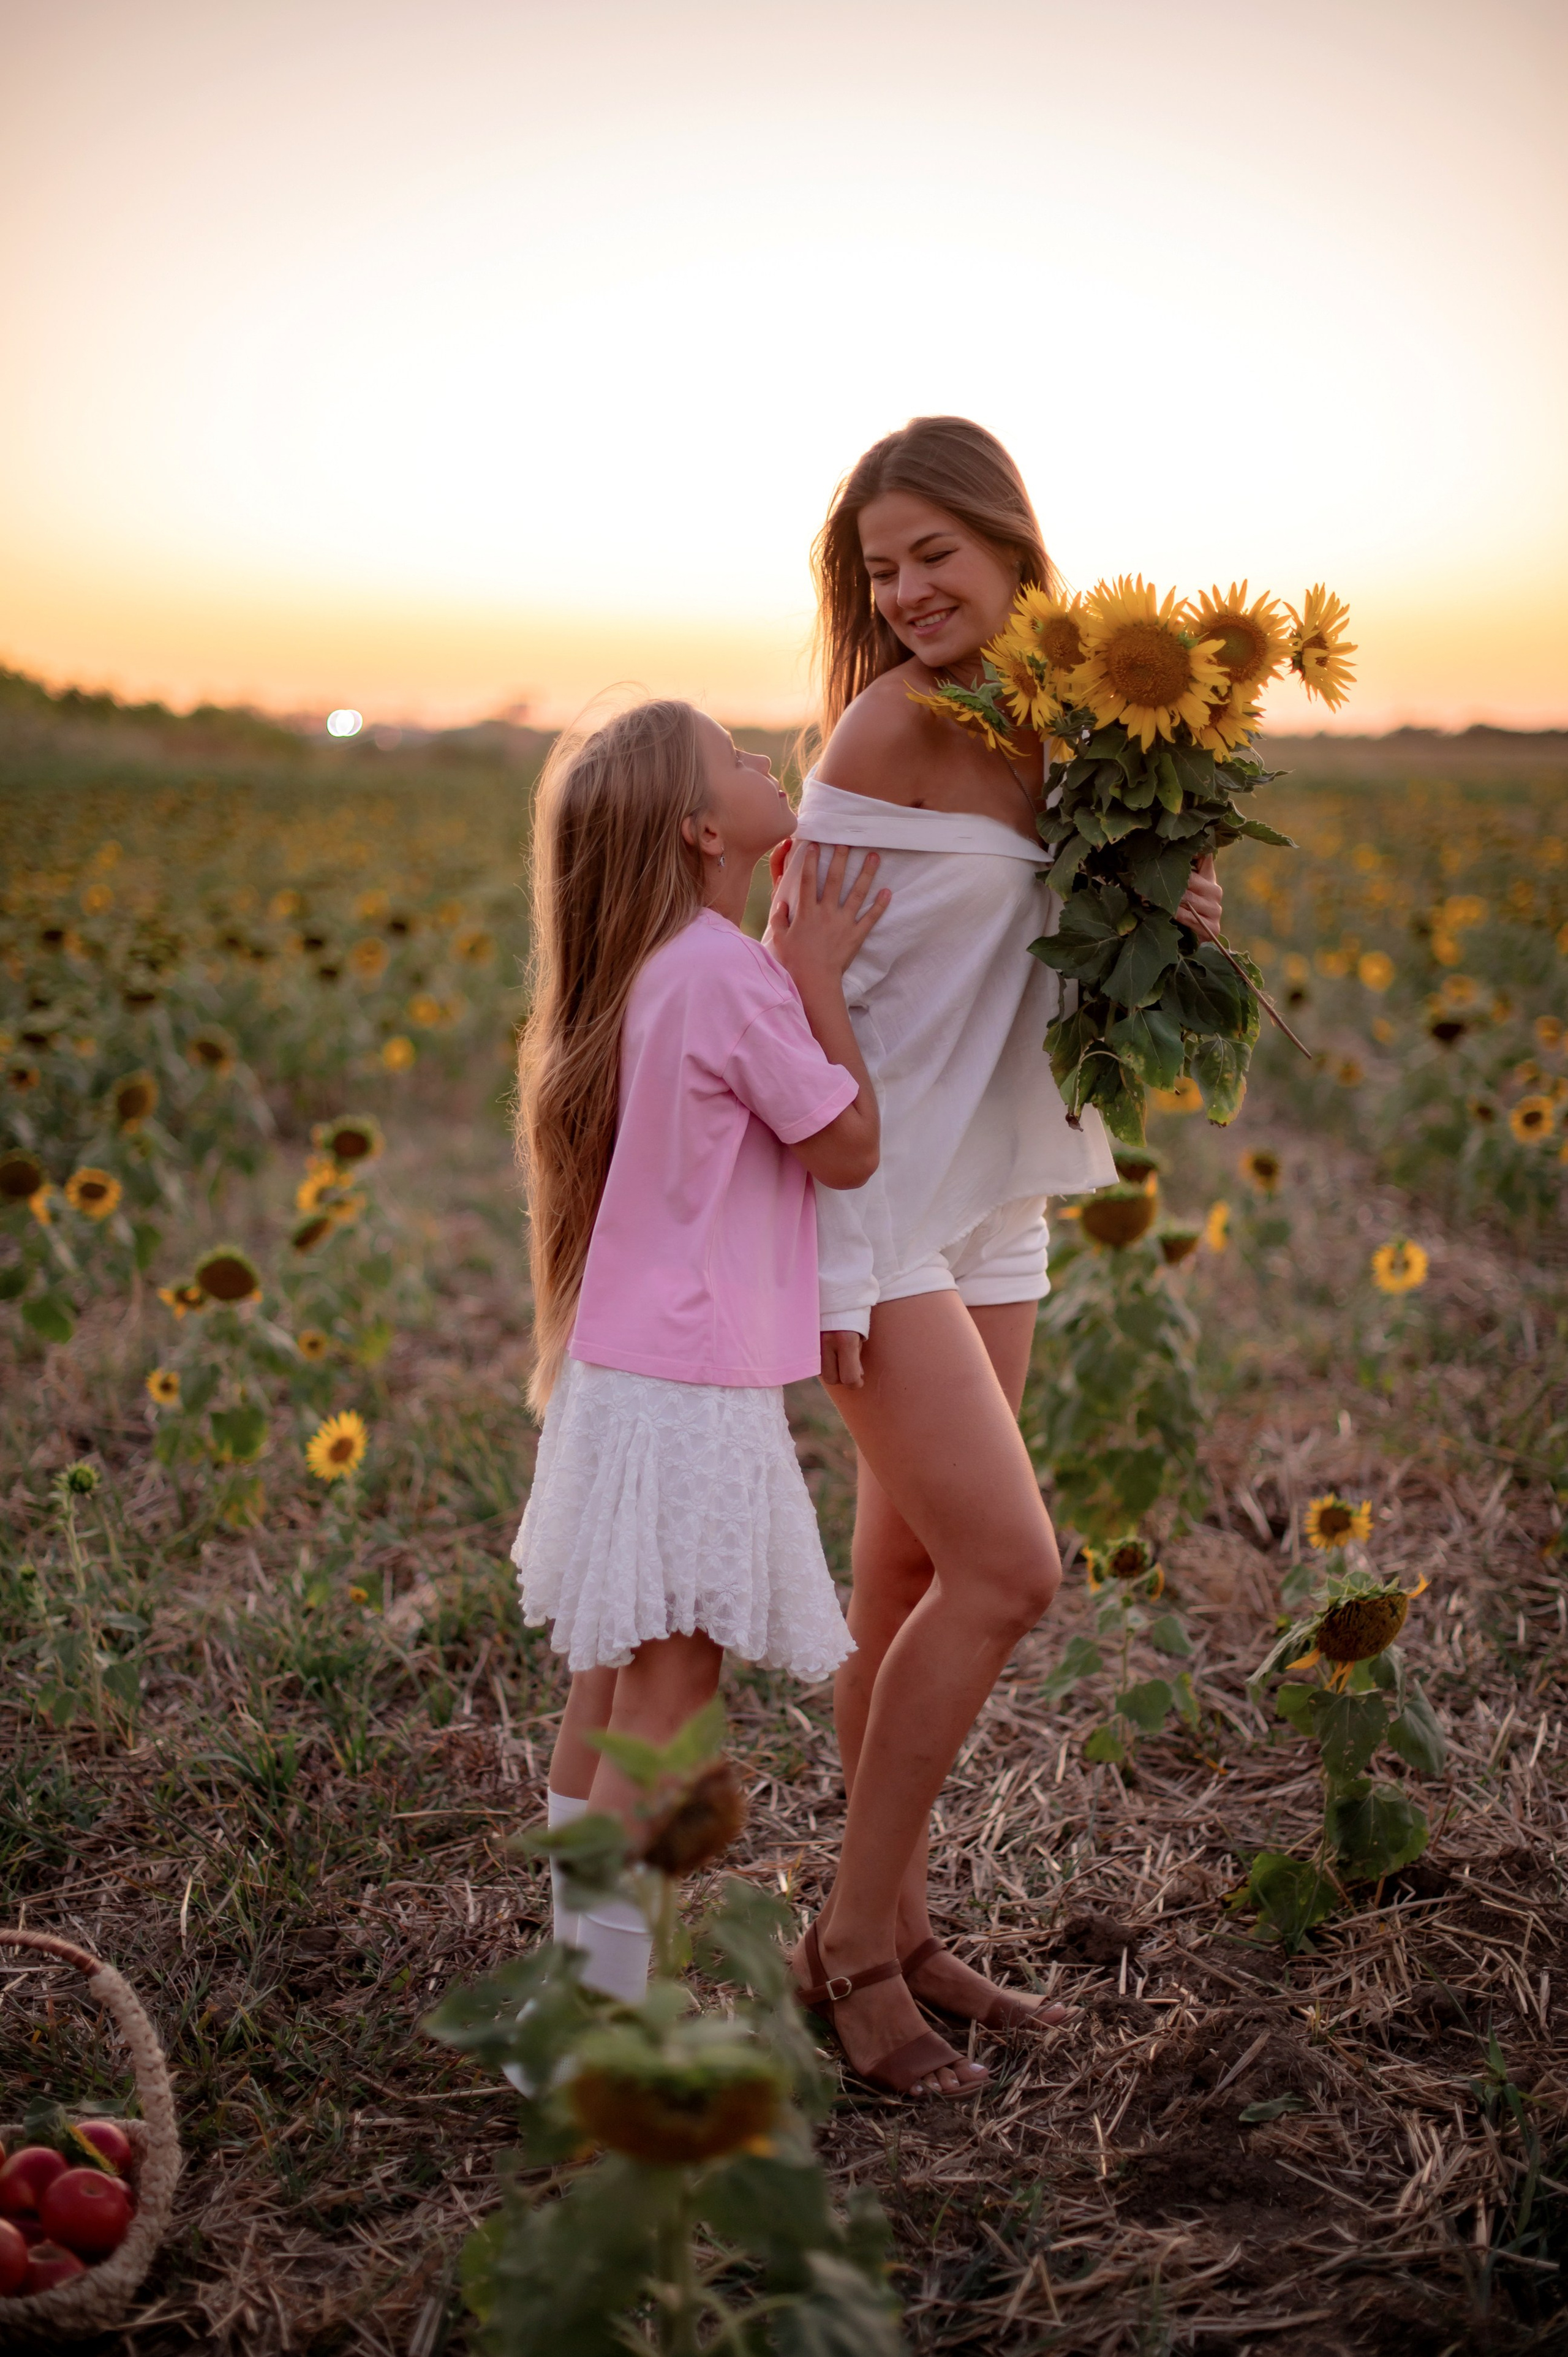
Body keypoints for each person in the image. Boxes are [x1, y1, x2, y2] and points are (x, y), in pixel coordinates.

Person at [779, 418, 1224, 2097]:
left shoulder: (1088, 727)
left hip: (995, 1196)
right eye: (879, 569)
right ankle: (851, 1952)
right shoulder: (885, 731)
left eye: (929, 557)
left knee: (906, 1581)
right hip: (872, 1199)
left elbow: (1072, 956)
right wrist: (822, 1230)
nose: (901, 594)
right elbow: (788, 976)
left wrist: (1165, 911)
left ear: (1010, 546)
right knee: (1009, 1575)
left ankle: (904, 1916)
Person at [511, 696, 889, 2008]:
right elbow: (845, 1146)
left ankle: (573, 1981)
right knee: (671, 1675)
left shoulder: (652, 968)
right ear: (700, 829)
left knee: (615, 1672)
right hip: (688, 1379)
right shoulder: (727, 972)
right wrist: (820, 978)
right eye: (735, 757)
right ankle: (591, 2013)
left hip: (626, 1371)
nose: (760, 758)